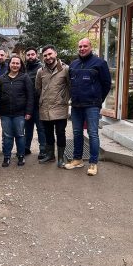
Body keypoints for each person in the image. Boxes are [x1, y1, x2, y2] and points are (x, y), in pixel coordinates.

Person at [65, 38, 111, 176]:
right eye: (80, 46)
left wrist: (98, 100)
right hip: (76, 105)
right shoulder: (73, 64)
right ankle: (78, 159)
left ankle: (93, 162)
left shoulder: (100, 63)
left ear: (90, 47)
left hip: (92, 106)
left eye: (85, 46)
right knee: (77, 133)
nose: (82, 48)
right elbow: (70, 84)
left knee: (92, 134)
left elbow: (106, 84)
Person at [0, 55, 34, 167]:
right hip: (5, 113)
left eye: (17, 63)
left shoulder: (25, 78)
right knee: (7, 136)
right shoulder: (1, 78)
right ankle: (7, 157)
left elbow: (30, 96)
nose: (15, 65)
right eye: (13, 63)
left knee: (20, 135)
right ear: (9, 64)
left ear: (20, 65)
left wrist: (28, 112)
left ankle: (21, 156)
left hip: (20, 113)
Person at [36, 45, 70, 168]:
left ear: (55, 53)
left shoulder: (65, 69)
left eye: (50, 54)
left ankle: (61, 158)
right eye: (45, 55)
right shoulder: (41, 71)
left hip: (60, 107)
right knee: (48, 133)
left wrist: (64, 99)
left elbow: (70, 87)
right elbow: (38, 88)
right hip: (45, 108)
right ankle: (50, 155)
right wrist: (43, 99)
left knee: (60, 133)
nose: (48, 57)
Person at [24, 47, 46, 159]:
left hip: (38, 104)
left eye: (32, 54)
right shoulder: (23, 68)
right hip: (27, 104)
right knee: (27, 128)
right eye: (28, 55)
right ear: (25, 56)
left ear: (36, 55)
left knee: (41, 128)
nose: (30, 56)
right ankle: (26, 147)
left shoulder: (42, 68)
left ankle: (43, 150)